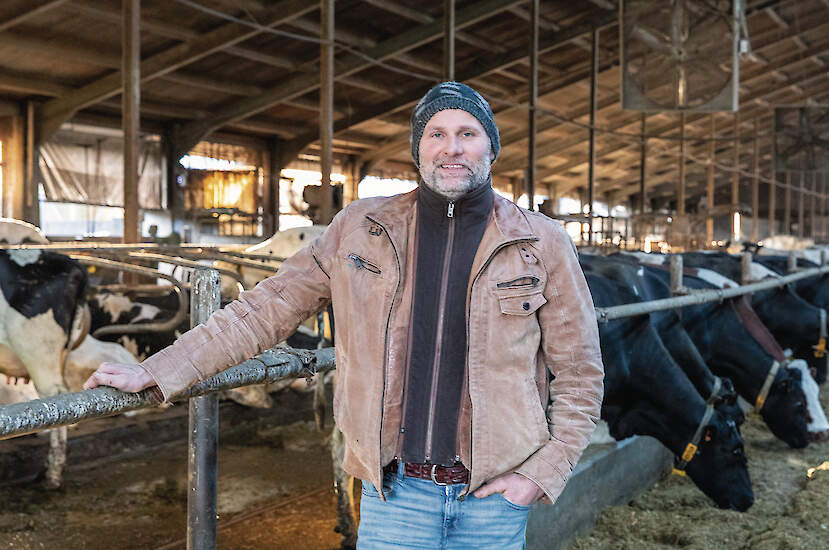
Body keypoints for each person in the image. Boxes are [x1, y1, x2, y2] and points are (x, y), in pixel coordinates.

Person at [84, 81, 604, 549]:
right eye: (437, 133)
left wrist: (542, 474)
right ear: (418, 148)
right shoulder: (361, 229)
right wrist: (160, 368)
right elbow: (266, 308)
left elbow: (580, 373)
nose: (452, 147)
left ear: (491, 146)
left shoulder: (540, 243)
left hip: (495, 498)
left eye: (467, 133)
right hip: (396, 496)